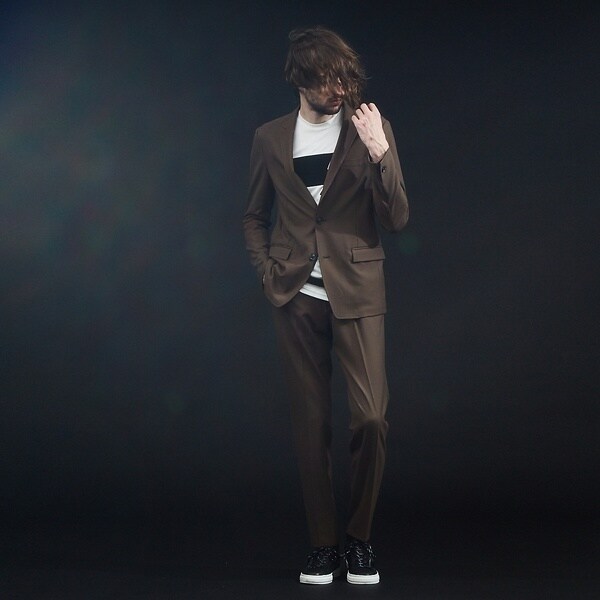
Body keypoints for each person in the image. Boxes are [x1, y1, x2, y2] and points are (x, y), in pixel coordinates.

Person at [243, 26, 409, 585]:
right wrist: (267, 269)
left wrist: (381, 154)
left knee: (372, 417)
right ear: (301, 80)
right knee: (310, 426)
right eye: (326, 81)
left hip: (358, 290)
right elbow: (254, 215)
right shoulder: (270, 138)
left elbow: (397, 217)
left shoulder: (368, 127)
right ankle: (322, 545)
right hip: (295, 296)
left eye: (344, 79)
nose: (339, 90)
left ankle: (359, 539)